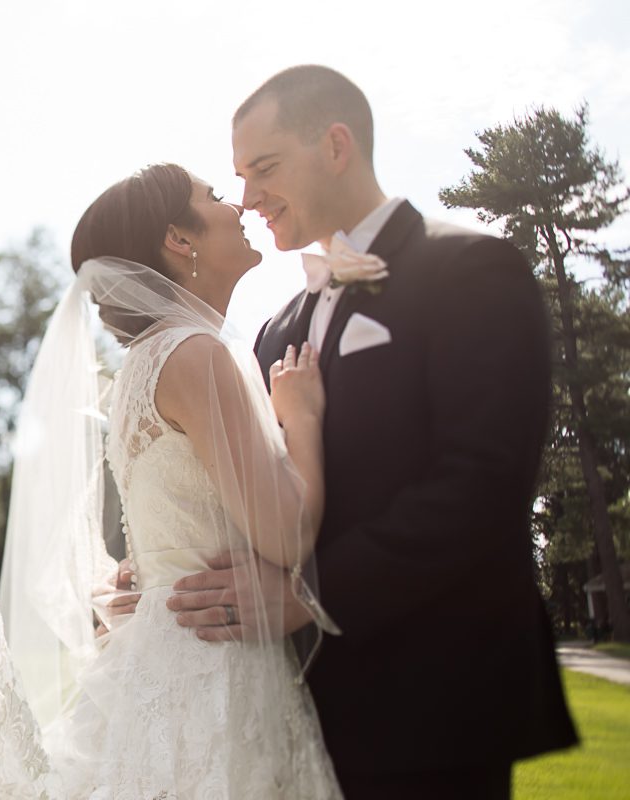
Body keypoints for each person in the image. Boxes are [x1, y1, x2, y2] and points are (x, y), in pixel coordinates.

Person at [167, 65, 578, 799]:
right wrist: (171, 567)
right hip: (289, 709)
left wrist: (309, 597)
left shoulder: (475, 269)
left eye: (264, 169)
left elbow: (482, 485)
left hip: (433, 703)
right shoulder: (272, 332)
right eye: (239, 178)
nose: (250, 198)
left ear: (335, 145)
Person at [0, 163, 343, 798]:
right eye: (212, 196)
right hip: (214, 668)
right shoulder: (197, 354)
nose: (236, 206)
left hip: (164, 654)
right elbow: (287, 533)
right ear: (178, 241)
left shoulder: (142, 366)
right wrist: (303, 419)